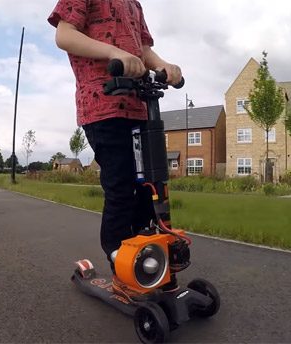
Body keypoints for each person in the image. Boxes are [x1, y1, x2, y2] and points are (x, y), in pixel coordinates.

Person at [48, 0, 182, 296]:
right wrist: (113, 51)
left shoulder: (134, 4)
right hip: (103, 107)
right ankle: (119, 258)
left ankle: (145, 261)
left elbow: (143, 51)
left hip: (139, 107)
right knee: (121, 187)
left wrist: (163, 66)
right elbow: (64, 35)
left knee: (151, 188)